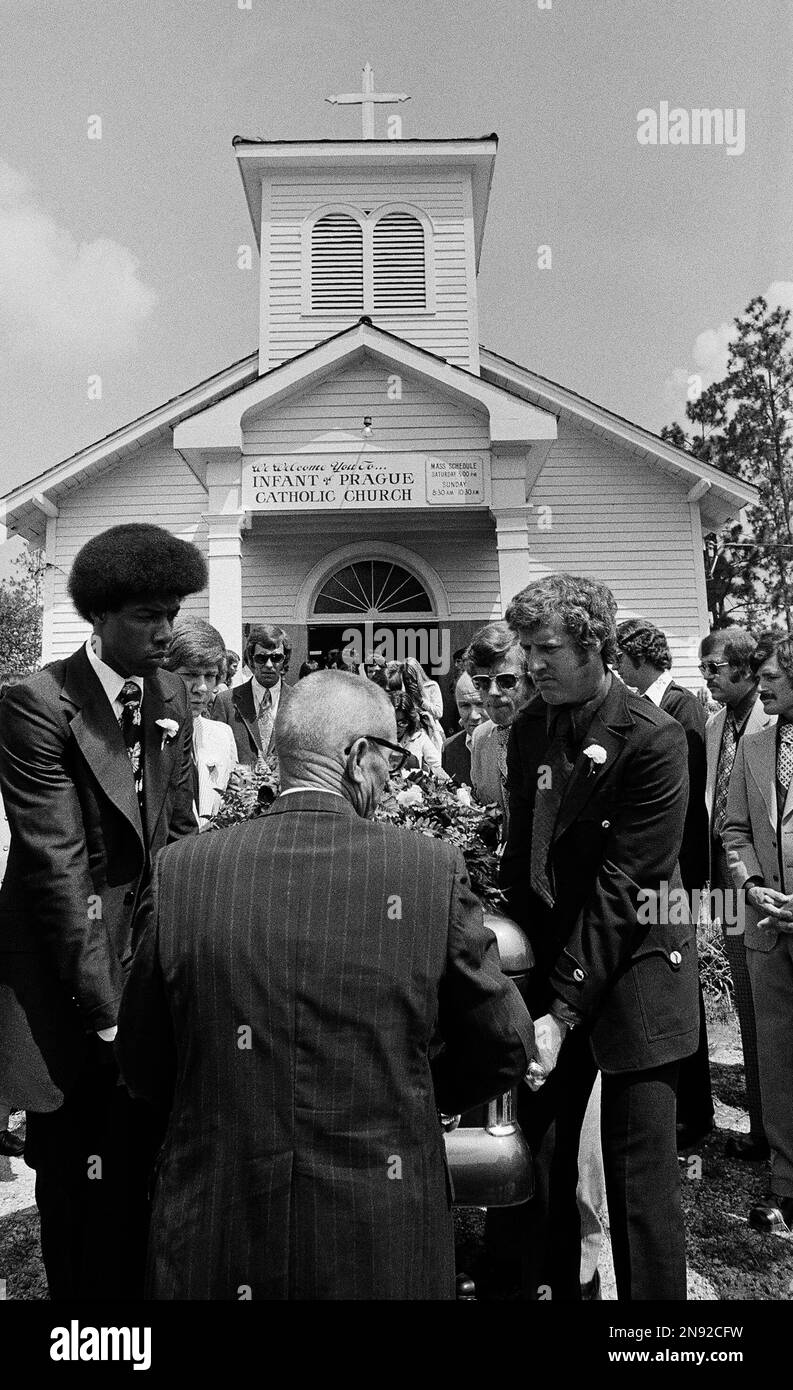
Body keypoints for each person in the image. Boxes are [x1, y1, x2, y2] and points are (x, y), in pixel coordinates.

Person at [117, 672, 536, 1299]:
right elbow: (505, 1042)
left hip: (219, 1230)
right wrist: (410, 1092)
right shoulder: (426, 870)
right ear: (357, 756)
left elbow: (143, 1062)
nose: (393, 779)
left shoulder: (183, 873)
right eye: (389, 758)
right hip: (379, 1235)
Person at [0, 523, 206, 1299]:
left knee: (145, 1175)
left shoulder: (171, 696)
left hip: (147, 967)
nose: (165, 631)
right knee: (76, 1183)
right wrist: (110, 1012)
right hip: (68, 983)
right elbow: (57, 868)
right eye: (148, 616)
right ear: (99, 616)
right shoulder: (36, 705)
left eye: (174, 612)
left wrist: (178, 968)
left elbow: (179, 839)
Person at [500, 573, 698, 1301]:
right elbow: (521, 861)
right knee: (539, 1158)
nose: (532, 664)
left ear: (594, 646)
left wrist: (562, 1010)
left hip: (637, 972)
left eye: (546, 648)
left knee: (637, 1180)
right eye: (525, 648)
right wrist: (516, 989)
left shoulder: (654, 737)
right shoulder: (529, 728)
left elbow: (627, 887)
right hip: (555, 975)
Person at [615, 618, 712, 1149]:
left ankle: (694, 1114)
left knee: (677, 986)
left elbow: (684, 801)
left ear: (639, 657)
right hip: (657, 868)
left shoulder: (680, 707)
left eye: (621, 662)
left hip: (677, 870)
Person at [722, 630, 793, 1235]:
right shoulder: (756, 746)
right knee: (776, 1059)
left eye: (771, 678)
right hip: (768, 931)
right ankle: (785, 1182)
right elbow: (735, 830)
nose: (761, 687)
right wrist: (748, 886)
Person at [702, 625, 773, 1162]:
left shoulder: (776, 720)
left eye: (717, 667)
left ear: (748, 671)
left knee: (776, 1008)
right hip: (728, 880)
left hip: (771, 883)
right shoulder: (713, 724)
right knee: (748, 1003)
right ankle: (761, 1126)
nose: (708, 676)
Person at [165, 617, 237, 829]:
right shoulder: (144, 734)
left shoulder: (222, 735)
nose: (202, 688)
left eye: (211, 676)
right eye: (190, 675)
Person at [466, 622, 533, 825]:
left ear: (532, 680)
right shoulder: (480, 737)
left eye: (506, 681)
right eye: (483, 682)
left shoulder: (554, 731)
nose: (493, 692)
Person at [211, 624, 294, 766]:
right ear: (251, 659)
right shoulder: (226, 702)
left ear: (284, 660)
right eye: (261, 658)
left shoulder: (299, 701)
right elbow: (215, 755)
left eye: (276, 658)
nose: (269, 664)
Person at [441, 669, 488, 785]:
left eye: (479, 704)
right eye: (465, 706)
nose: (473, 716)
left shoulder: (512, 743)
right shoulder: (450, 748)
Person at [392, 692, 444, 775]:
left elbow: (437, 766)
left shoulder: (419, 737)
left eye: (403, 722)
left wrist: (434, 728)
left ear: (410, 720)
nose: (397, 727)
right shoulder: (379, 741)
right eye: (393, 722)